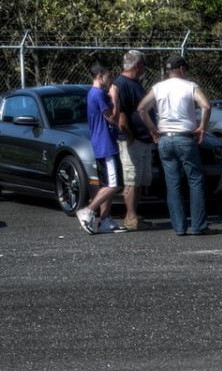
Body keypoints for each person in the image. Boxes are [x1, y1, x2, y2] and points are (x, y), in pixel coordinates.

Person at [140, 54, 213, 236]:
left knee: (173, 184)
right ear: (181, 69)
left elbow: (141, 108)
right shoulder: (190, 86)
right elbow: (206, 106)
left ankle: (179, 227)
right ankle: (198, 225)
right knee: (195, 180)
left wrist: (153, 129)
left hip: (165, 138)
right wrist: (202, 127)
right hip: (185, 138)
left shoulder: (158, 88)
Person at [80, 62, 126, 234]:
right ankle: (88, 211)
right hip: (105, 145)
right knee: (114, 185)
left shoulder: (96, 93)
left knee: (107, 185)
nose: (111, 80)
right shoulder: (98, 94)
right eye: (108, 76)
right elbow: (112, 118)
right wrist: (115, 97)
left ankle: (105, 219)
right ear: (100, 77)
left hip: (104, 143)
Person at [109, 49, 152, 231]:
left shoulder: (135, 84)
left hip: (143, 140)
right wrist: (130, 138)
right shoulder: (122, 84)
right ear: (137, 65)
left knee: (140, 178)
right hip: (132, 141)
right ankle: (130, 217)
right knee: (131, 178)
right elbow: (122, 114)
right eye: (143, 64)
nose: (144, 68)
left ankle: (133, 215)